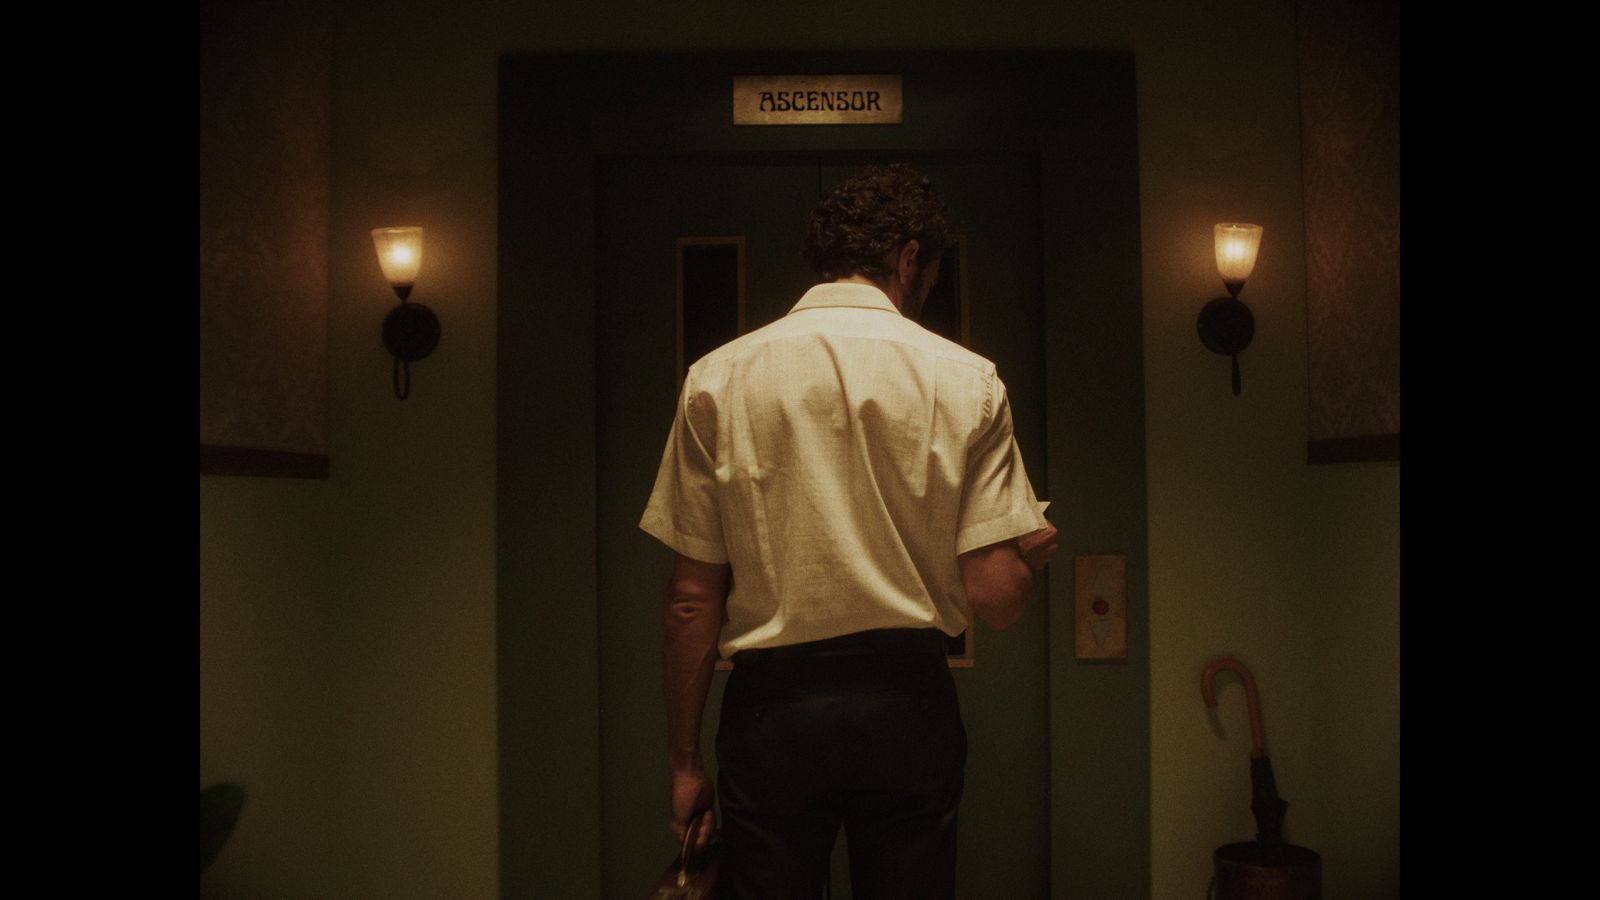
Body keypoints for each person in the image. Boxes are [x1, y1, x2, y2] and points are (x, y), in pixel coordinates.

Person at [640, 163, 1059, 899]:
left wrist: (683, 763)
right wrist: (1030, 556)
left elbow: (689, 601)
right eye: (930, 274)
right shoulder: (968, 380)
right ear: (908, 257)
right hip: (907, 706)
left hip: (771, 712)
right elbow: (997, 599)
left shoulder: (717, 379)